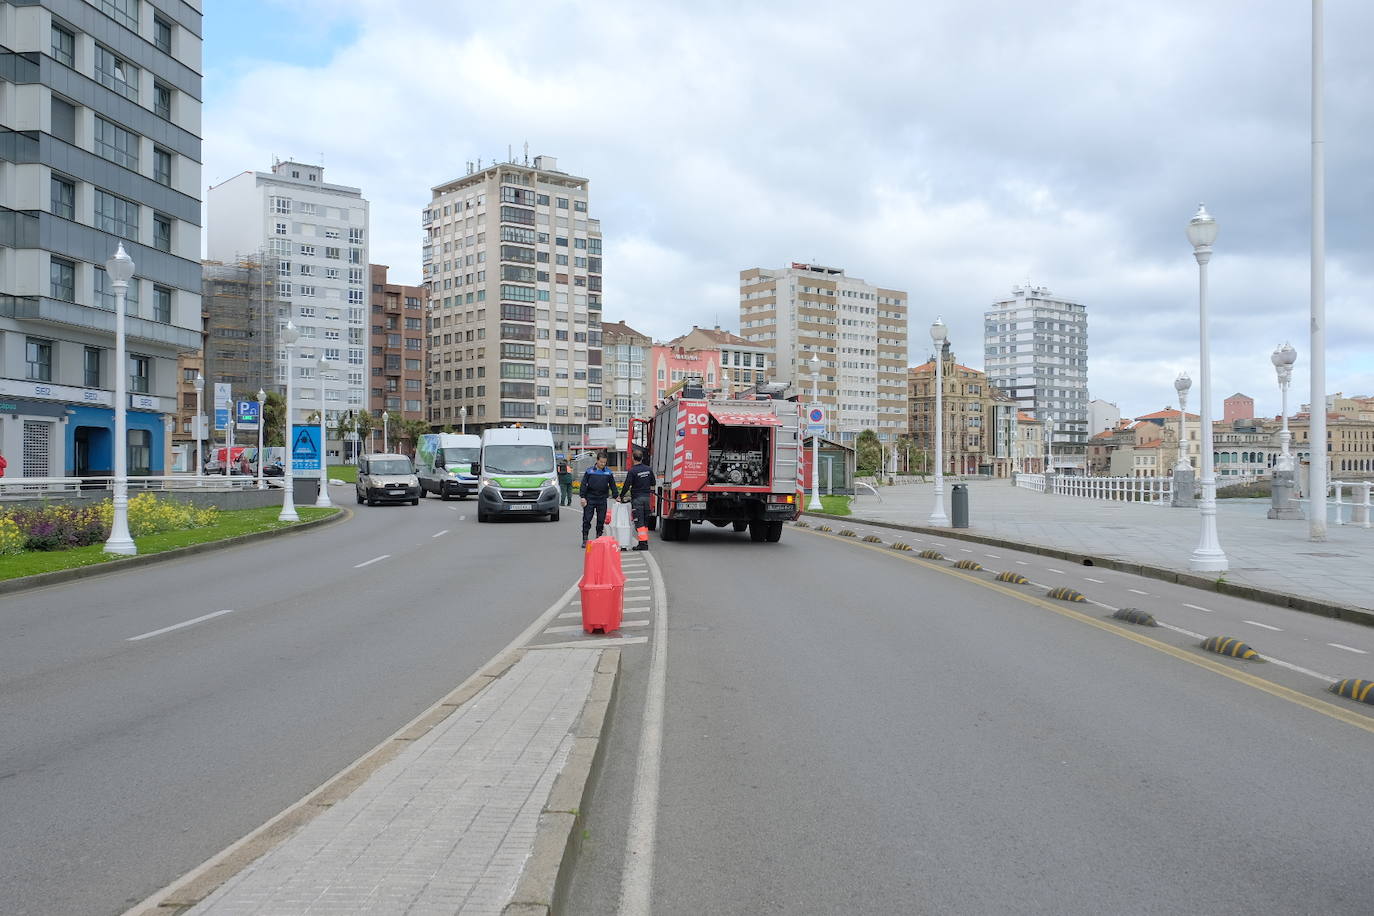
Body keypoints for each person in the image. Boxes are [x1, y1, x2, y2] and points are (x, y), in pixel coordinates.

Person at [619, 449, 656, 551]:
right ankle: (644, 542)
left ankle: (643, 544)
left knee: (639, 522)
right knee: (645, 522)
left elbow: (627, 485)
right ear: (642, 458)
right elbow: (653, 483)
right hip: (647, 499)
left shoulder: (632, 471)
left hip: (637, 500)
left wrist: (621, 496)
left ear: (632, 458)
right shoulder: (648, 469)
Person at [579, 453, 616, 548]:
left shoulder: (608, 472)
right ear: (597, 460)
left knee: (601, 520)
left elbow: (613, 486)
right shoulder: (590, 471)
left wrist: (617, 496)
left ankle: (598, 537)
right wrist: (582, 497)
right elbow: (583, 484)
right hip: (590, 498)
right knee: (587, 519)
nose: (603, 464)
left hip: (602, 499)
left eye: (604, 462)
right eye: (601, 462)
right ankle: (585, 538)